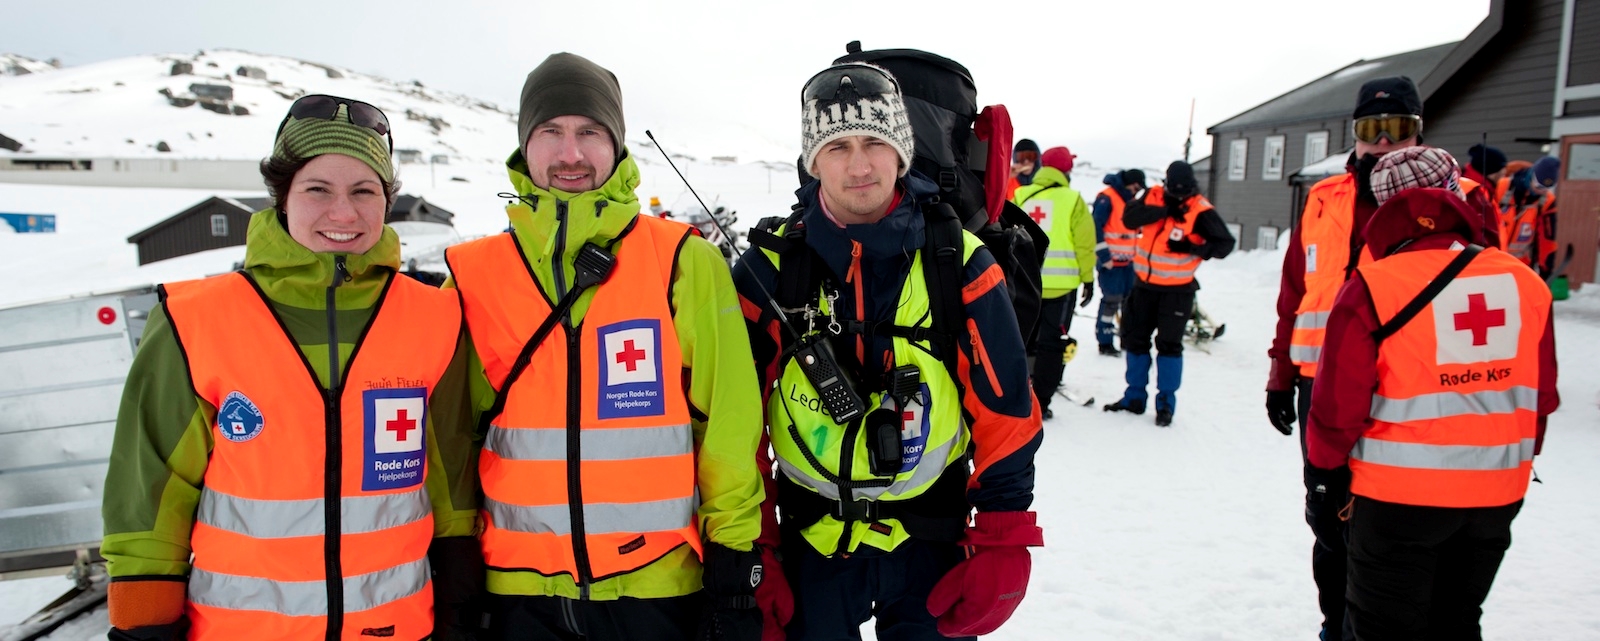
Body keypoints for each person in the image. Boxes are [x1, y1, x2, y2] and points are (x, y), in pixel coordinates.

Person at [101, 95, 481, 640]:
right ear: (282, 197)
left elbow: (452, 484)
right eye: (317, 189)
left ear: (387, 200)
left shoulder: (435, 317)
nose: (343, 213)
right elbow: (150, 492)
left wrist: (459, 604)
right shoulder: (194, 321)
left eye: (364, 190)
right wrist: (142, 626)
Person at [443, 53, 779, 641]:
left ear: (616, 146)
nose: (570, 154)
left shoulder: (681, 260)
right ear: (525, 145)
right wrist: (453, 556)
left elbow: (726, 420)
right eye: (550, 132)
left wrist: (732, 554)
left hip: (656, 590)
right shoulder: (472, 274)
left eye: (589, 132)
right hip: (518, 595)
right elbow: (450, 438)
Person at [735, 61, 1043, 641]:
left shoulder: (962, 260)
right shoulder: (771, 269)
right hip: (812, 552)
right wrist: (753, 549)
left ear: (901, 151)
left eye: (875, 141)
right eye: (837, 146)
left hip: (931, 547)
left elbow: (1007, 417)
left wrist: (1004, 541)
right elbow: (733, 426)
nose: (858, 164)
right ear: (812, 160)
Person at [1262, 76, 1503, 639]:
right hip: (1321, 383)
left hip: (1408, 388)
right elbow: (1295, 292)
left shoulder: (1463, 197)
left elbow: (1493, 290)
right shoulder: (1325, 198)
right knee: (1326, 516)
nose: (1385, 143)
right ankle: (1336, 626)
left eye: (1400, 129)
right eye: (1373, 130)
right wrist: (1280, 373)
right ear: (1355, 135)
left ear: (1420, 131)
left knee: (1388, 522)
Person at [1306, 146, 1559, 640]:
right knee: (1457, 624)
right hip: (1496, 496)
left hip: (1396, 500)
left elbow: (1337, 408)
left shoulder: (1372, 286)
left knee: (1383, 630)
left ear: (1381, 210)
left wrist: (1322, 482)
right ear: (1456, 195)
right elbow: (1541, 400)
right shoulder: (1524, 282)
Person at [1102, 160, 1234, 427]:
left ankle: (1165, 404)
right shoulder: (1151, 196)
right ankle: (1134, 397)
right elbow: (1130, 218)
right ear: (1166, 184)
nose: (1180, 195)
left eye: (1185, 191)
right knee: (1135, 340)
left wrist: (1191, 247)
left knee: (1169, 346)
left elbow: (1224, 244)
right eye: (1175, 190)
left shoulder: (1200, 209)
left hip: (1177, 291)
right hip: (1143, 287)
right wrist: (1163, 210)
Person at [1012, 145, 1095, 419]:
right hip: (1061, 289)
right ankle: (1042, 401)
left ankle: (1017, 393)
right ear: (1066, 170)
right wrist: (1088, 279)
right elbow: (1085, 244)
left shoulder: (1021, 194)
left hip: (1025, 283)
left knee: (1021, 339)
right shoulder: (1073, 199)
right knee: (1051, 344)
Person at [1091, 169, 1146, 356]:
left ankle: (1126, 338)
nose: (1136, 192)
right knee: (1110, 303)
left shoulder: (1130, 201)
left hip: (1128, 263)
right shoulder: (1107, 198)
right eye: (1135, 187)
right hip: (1111, 264)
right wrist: (1104, 257)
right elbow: (1095, 227)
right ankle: (1105, 342)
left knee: (1130, 304)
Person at [1498, 156, 1560, 276]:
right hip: (1492, 262)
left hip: (1519, 267)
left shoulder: (1547, 201)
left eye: (1547, 188)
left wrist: (1546, 270)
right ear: (1530, 176)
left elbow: (1547, 239)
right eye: (1538, 187)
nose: (1541, 192)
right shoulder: (1502, 188)